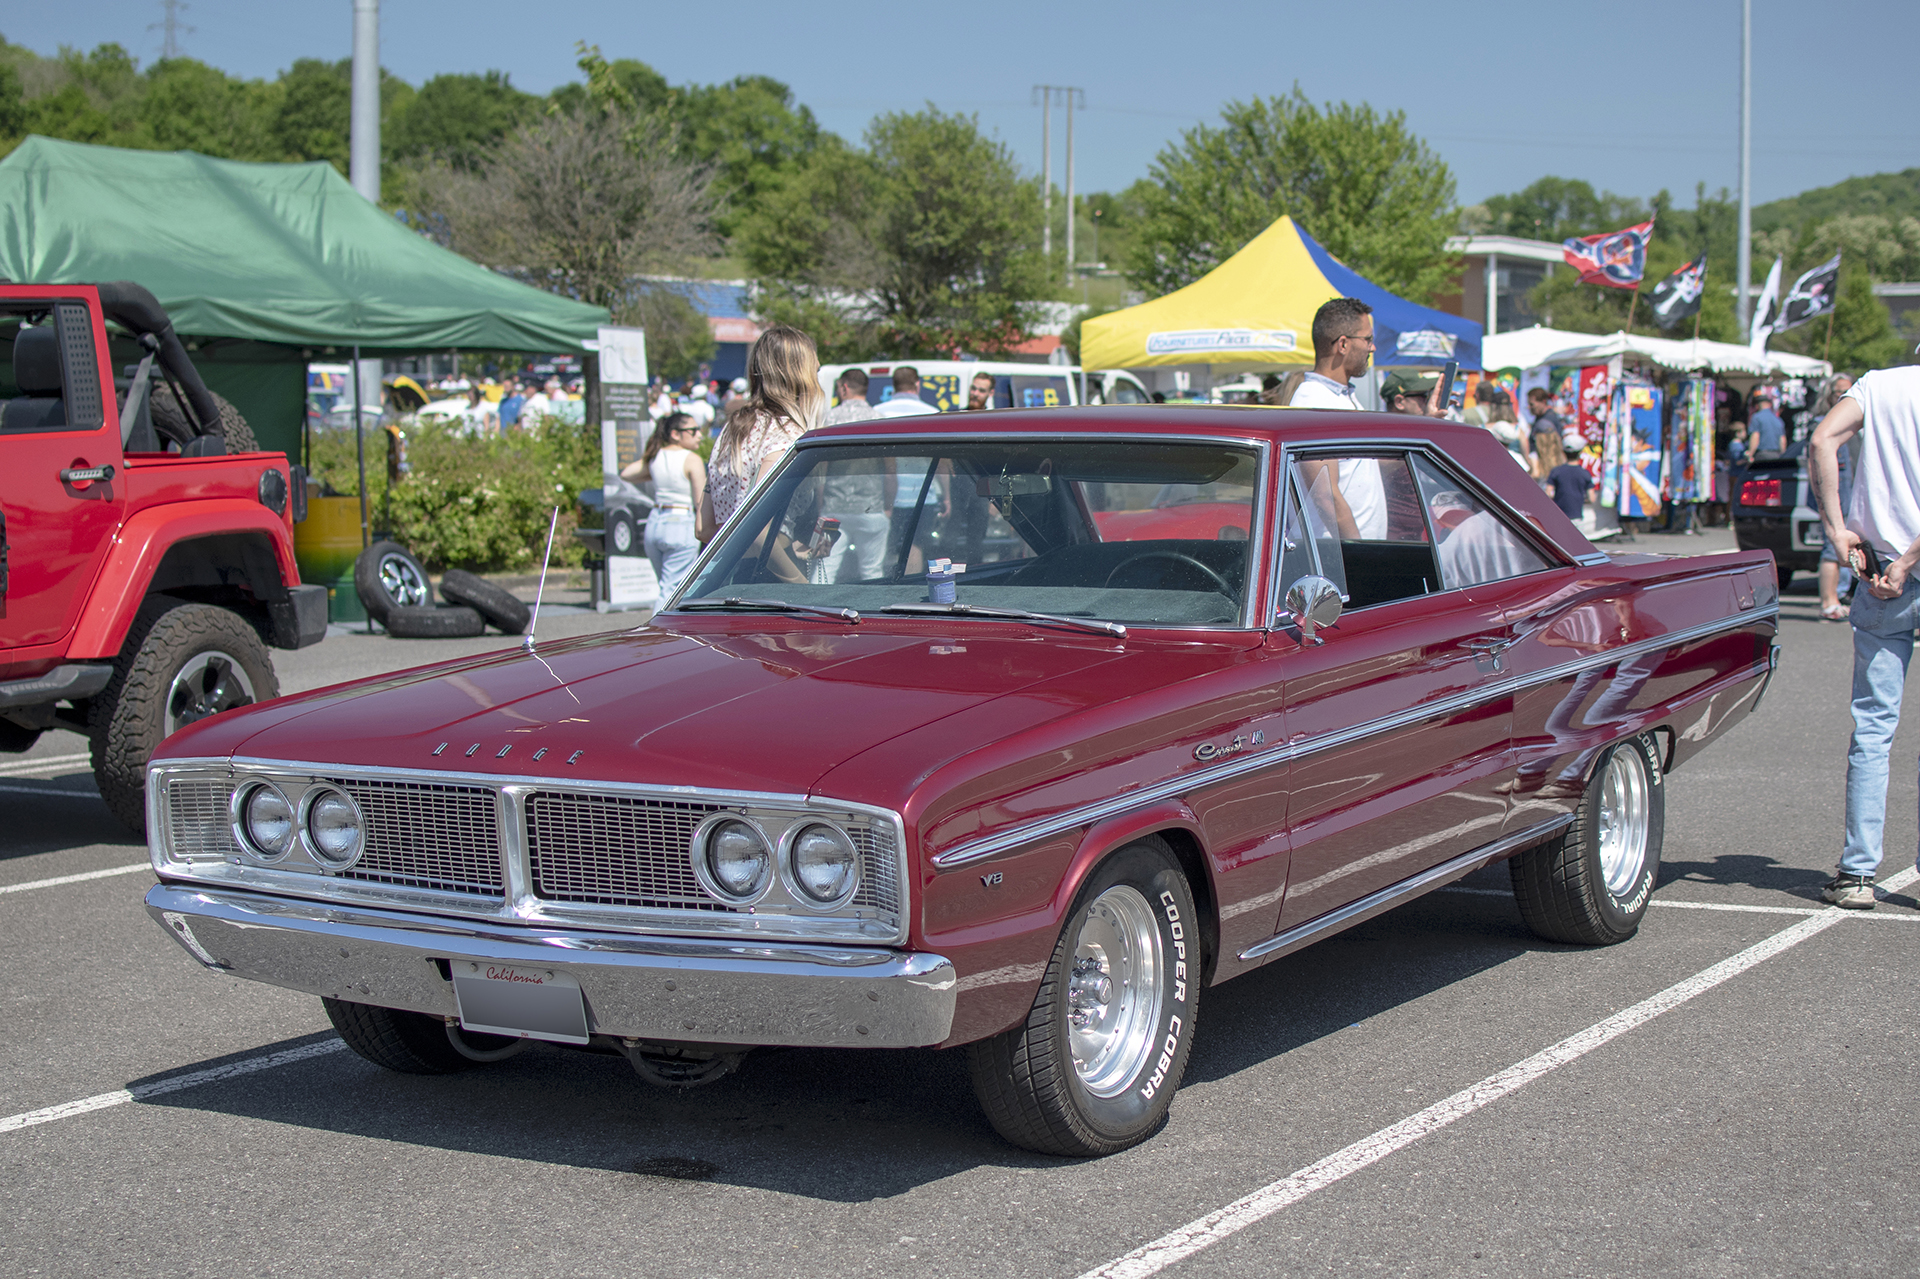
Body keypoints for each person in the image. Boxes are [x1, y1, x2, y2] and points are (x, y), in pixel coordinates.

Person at [1809, 361, 1920, 907]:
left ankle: (1857, 873)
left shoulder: (1881, 384)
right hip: (1902, 567)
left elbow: (1822, 438)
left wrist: (1835, 529)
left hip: (1878, 571)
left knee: (1874, 727)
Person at [699, 324, 824, 544]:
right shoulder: (788, 437)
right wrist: (795, 576)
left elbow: (703, 528)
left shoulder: (734, 428)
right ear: (798, 376)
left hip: (728, 570)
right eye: (815, 371)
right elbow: (759, 533)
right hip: (768, 570)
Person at [1290, 298, 1386, 539]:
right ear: (1343, 344)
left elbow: (1371, 463)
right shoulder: (1315, 404)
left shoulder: (1341, 399)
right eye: (1367, 339)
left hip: (1347, 556)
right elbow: (1325, 496)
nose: (1372, 348)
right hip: (1337, 561)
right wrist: (1360, 556)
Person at [817, 368, 894, 582]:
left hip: (834, 507)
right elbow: (890, 470)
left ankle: (811, 613)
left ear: (844, 387)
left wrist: (820, 507)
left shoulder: (829, 418)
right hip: (871, 507)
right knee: (872, 572)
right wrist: (887, 507)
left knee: (824, 570)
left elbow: (821, 470)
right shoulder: (879, 420)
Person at [621, 412, 707, 599]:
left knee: (666, 585)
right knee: (673, 591)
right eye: (693, 431)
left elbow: (627, 473)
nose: (699, 435)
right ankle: (660, 628)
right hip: (681, 523)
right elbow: (700, 501)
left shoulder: (655, 458)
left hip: (655, 522)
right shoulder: (692, 459)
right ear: (676, 434)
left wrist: (651, 471)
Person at [1814, 374, 1858, 619]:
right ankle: (1828, 601)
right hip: (1836, 497)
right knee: (1832, 546)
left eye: (1848, 391)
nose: (1843, 397)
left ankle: (1837, 595)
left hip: (1851, 494)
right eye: (1838, 392)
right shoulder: (1823, 424)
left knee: (1845, 545)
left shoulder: (1855, 421)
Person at [1546, 456, 1593, 524]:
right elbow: (1591, 498)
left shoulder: (1556, 471)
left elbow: (1548, 494)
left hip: (1559, 516)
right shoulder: (1584, 473)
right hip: (1577, 516)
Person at [1525, 387, 1566, 459]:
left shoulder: (1548, 420)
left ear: (1543, 402)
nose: (1529, 407)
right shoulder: (1539, 417)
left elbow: (1550, 446)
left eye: (1532, 404)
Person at [1748, 389, 1786, 459]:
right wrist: (1782, 455)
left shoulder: (1756, 417)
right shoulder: (1778, 419)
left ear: (1756, 406)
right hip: (1776, 455)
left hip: (1762, 455)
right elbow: (1782, 440)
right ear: (1770, 404)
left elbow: (1755, 436)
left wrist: (1750, 454)